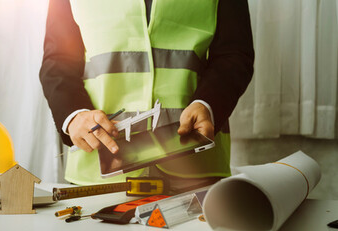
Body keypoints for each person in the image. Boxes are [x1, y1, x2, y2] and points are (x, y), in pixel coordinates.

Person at [40, 0, 254, 187]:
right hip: (97, 171)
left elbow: (234, 55)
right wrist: (75, 115)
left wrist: (208, 104)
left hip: (195, 165)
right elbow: (58, 62)